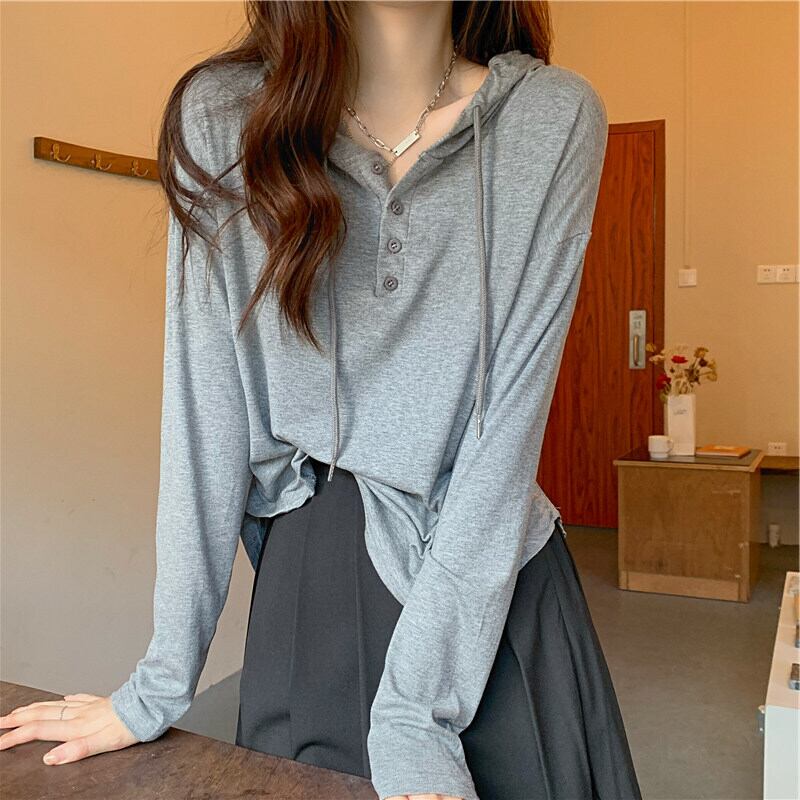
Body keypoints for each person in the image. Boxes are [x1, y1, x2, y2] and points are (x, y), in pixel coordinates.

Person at [0, 2, 643, 799]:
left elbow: (508, 431)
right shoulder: (223, 116)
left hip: (492, 589)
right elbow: (207, 414)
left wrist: (415, 715)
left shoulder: (552, 115)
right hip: (317, 583)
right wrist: (161, 679)